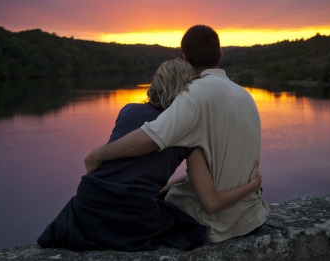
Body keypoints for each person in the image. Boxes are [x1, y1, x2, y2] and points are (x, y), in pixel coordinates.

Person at [37, 59, 262, 252]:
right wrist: (251, 186)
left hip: (87, 205)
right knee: (189, 227)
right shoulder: (187, 132)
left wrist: (163, 188)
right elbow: (210, 202)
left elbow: (130, 169)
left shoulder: (128, 110)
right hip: (131, 216)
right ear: (187, 90)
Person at [84, 25, 270, 242]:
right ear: (220, 54)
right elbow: (212, 170)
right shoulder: (245, 96)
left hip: (215, 224)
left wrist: (99, 154)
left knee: (145, 212)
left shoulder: (193, 95)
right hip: (251, 217)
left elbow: (150, 138)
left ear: (183, 58)